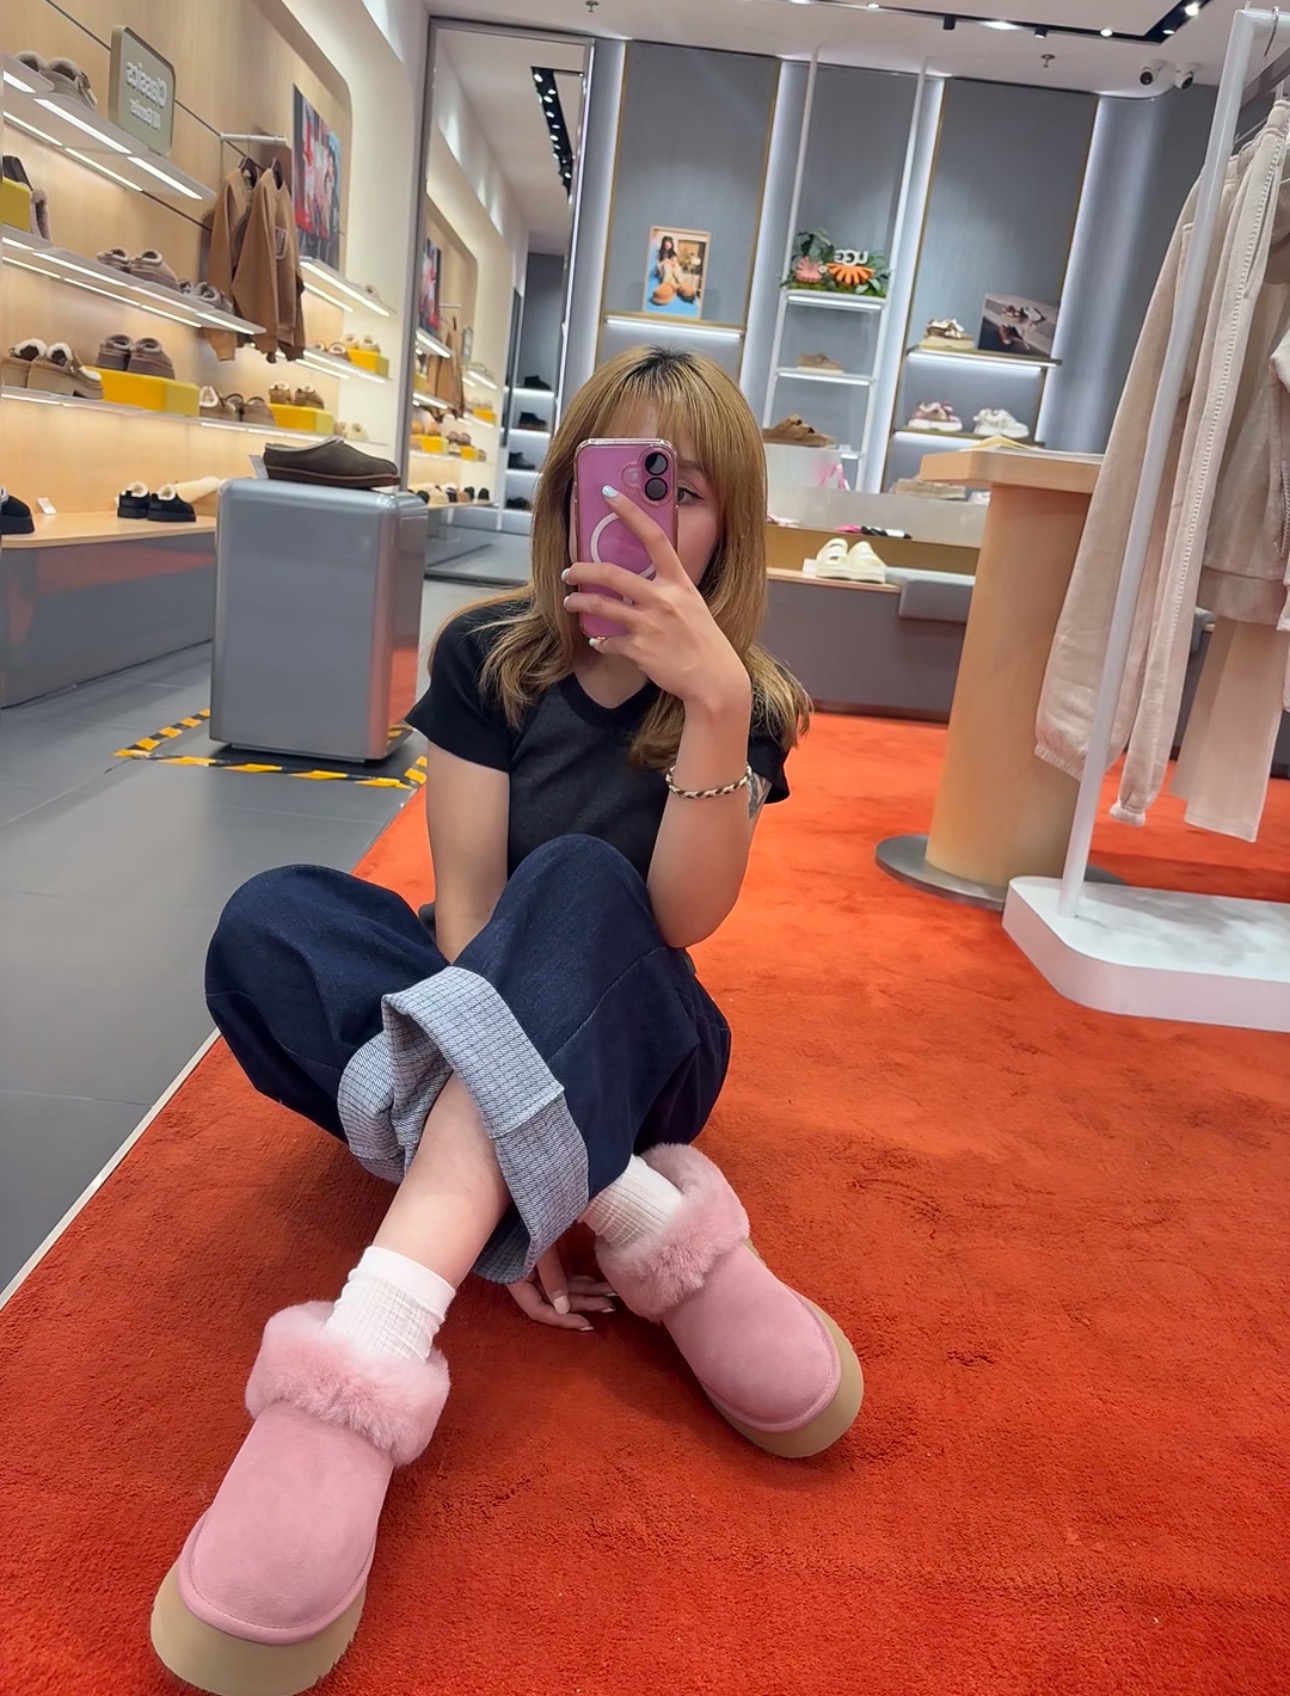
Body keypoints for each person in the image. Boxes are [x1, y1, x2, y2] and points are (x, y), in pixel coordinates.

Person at [148, 347, 864, 1696]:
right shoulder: (490, 656)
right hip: (481, 997)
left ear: (728, 525)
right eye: (623, 478)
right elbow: (468, 913)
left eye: (684, 489)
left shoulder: (745, 702)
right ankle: (626, 1208)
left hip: (646, 1043)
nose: (647, 515)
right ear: (568, 492)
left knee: (585, 881)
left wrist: (713, 705)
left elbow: (683, 922)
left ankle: (369, 1347)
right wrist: (537, 1175)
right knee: (272, 920)